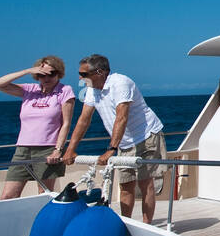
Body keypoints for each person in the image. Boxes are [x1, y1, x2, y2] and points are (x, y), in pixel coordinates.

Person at [63, 55, 166, 224]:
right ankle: (126, 225)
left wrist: (111, 149)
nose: (80, 78)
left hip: (146, 136)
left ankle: (148, 226)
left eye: (84, 74)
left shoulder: (120, 83)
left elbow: (121, 117)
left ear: (100, 72)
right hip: (124, 142)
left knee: (145, 184)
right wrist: (70, 149)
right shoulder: (91, 89)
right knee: (126, 186)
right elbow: (83, 120)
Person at [0, 57, 76, 199]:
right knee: (7, 196)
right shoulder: (29, 90)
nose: (46, 78)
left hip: (48, 149)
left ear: (59, 73)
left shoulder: (65, 91)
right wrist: (27, 71)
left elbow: (66, 123)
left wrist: (58, 150)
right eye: (42, 74)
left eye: (51, 73)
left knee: (43, 195)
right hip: (22, 149)